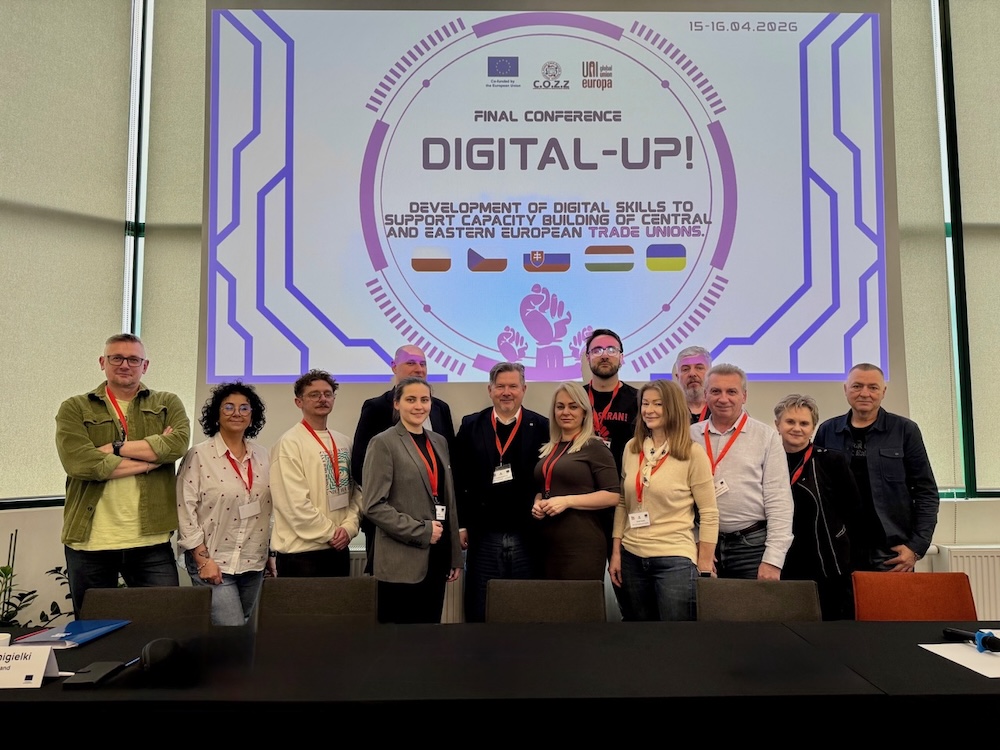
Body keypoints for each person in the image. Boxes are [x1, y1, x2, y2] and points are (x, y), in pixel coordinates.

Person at [55, 333, 191, 614]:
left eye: (133, 359)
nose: (125, 365)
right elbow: (81, 463)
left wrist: (115, 448)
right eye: (116, 358)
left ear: (145, 365)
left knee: (165, 623)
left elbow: (176, 445)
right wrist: (150, 462)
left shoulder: (167, 403)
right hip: (90, 542)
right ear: (102, 362)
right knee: (93, 627)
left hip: (150, 542)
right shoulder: (75, 407)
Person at [813, 363, 939, 572]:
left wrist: (916, 547)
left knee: (890, 597)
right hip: (839, 549)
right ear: (845, 389)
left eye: (873, 387)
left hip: (891, 553)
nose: (865, 393)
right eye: (857, 386)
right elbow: (815, 490)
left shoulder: (905, 430)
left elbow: (926, 492)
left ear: (883, 392)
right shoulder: (828, 431)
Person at [610, 380, 718, 621]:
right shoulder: (632, 448)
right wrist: (616, 552)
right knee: (639, 635)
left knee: (676, 637)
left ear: (673, 407)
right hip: (631, 558)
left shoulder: (692, 453)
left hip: (674, 560)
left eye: (658, 404)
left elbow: (709, 512)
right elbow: (623, 504)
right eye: (645, 404)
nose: (649, 410)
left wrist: (704, 564)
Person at [453, 362, 550, 622]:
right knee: (480, 608)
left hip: (527, 533)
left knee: (525, 607)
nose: (506, 392)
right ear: (490, 390)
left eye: (513, 386)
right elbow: (458, 478)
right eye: (500, 386)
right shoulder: (471, 425)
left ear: (524, 389)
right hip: (483, 533)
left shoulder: (542, 426)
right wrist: (461, 525)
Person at [362, 377, 462, 623]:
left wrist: (454, 555)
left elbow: (448, 500)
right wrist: (422, 531)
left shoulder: (439, 441)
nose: (419, 406)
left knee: (428, 637)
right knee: (398, 642)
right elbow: (373, 506)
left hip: (436, 557)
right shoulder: (383, 443)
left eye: (424, 400)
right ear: (396, 404)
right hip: (401, 563)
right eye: (411, 399)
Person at [352, 344, 455, 573]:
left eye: (423, 364)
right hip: (392, 529)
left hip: (438, 527)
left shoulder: (440, 409)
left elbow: (449, 469)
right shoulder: (376, 408)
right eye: (411, 363)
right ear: (394, 367)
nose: (418, 369)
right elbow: (360, 467)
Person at [176, 382, 272, 626]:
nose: (237, 413)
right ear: (216, 415)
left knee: (246, 629)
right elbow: (184, 511)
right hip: (214, 560)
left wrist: (270, 553)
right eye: (228, 407)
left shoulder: (263, 456)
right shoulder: (198, 455)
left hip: (253, 561)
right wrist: (203, 560)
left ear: (252, 416)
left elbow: (269, 509)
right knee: (231, 628)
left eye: (244, 408)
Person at [690, 364, 793, 580]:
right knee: (705, 603)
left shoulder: (766, 437)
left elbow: (779, 501)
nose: (723, 398)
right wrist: (699, 540)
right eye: (716, 391)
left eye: (731, 392)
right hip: (702, 546)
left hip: (752, 547)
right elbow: (680, 496)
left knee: (751, 603)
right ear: (706, 394)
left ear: (744, 396)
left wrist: (773, 559)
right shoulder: (690, 436)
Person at [774, 394, 861, 620]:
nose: (797, 428)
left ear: (813, 428)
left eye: (804, 423)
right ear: (777, 424)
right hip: (780, 558)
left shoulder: (832, 461)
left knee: (829, 627)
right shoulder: (766, 461)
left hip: (826, 560)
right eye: (790, 422)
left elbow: (852, 509)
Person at [269, 370, 363, 577]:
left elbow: (357, 491)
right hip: (301, 555)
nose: (322, 399)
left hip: (339, 549)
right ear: (298, 402)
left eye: (328, 394)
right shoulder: (289, 444)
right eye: (314, 394)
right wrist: (331, 533)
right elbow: (293, 504)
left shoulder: (345, 442)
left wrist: (349, 527)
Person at [531, 381, 620, 580]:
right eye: (560, 406)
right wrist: (538, 502)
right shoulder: (550, 448)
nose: (566, 412)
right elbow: (546, 488)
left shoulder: (595, 447)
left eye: (573, 406)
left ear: (584, 412)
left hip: (581, 546)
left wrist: (568, 501)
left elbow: (613, 495)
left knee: (579, 599)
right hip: (547, 544)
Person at [582, 328, 638, 474]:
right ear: (588, 357)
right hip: (582, 480)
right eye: (597, 350)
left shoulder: (639, 400)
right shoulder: (576, 398)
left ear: (621, 357)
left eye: (612, 350)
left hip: (625, 480)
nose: (605, 355)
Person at [672, 345, 713, 424]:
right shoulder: (668, 411)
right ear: (677, 377)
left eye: (699, 368)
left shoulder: (721, 410)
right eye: (685, 369)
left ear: (711, 374)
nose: (692, 373)